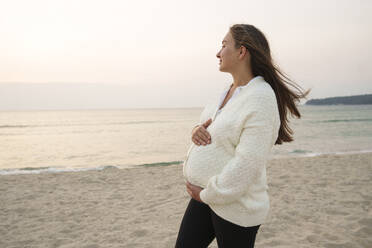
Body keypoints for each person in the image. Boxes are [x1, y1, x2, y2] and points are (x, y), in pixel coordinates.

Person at [175, 24, 310, 248]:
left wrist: (208, 194)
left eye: (224, 45)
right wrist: (195, 130)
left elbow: (248, 163)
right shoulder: (226, 93)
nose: (218, 53)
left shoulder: (261, 98)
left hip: (234, 206)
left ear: (241, 51)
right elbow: (212, 129)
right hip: (205, 197)